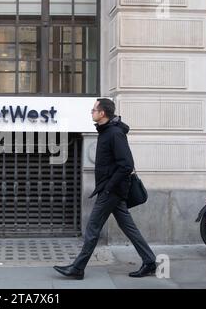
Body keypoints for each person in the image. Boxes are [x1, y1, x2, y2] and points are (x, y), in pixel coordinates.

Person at [53, 98, 156, 280]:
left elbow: (126, 165)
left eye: (93, 110)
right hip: (110, 190)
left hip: (112, 191)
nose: (91, 112)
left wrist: (108, 187)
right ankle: (149, 261)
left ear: (102, 113)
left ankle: (78, 267)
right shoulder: (106, 131)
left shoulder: (114, 133)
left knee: (93, 227)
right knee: (129, 227)